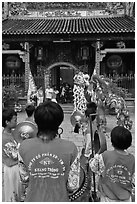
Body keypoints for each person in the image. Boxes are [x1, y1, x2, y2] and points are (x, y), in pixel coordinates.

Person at [18, 101, 78, 202]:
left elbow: (24, 179)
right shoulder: (71, 148)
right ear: (60, 121)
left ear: (36, 120)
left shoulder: (23, 147)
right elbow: (73, 185)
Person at [89, 126, 135, 202]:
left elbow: (93, 167)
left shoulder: (105, 155)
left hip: (107, 198)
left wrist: (96, 155)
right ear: (129, 144)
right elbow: (133, 179)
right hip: (126, 199)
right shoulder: (132, 159)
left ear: (112, 141)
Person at [2, 108, 21, 201]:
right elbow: (15, 155)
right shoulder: (4, 138)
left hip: (16, 166)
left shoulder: (12, 133)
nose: (16, 122)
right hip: (11, 168)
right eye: (15, 120)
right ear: (7, 122)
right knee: (12, 194)